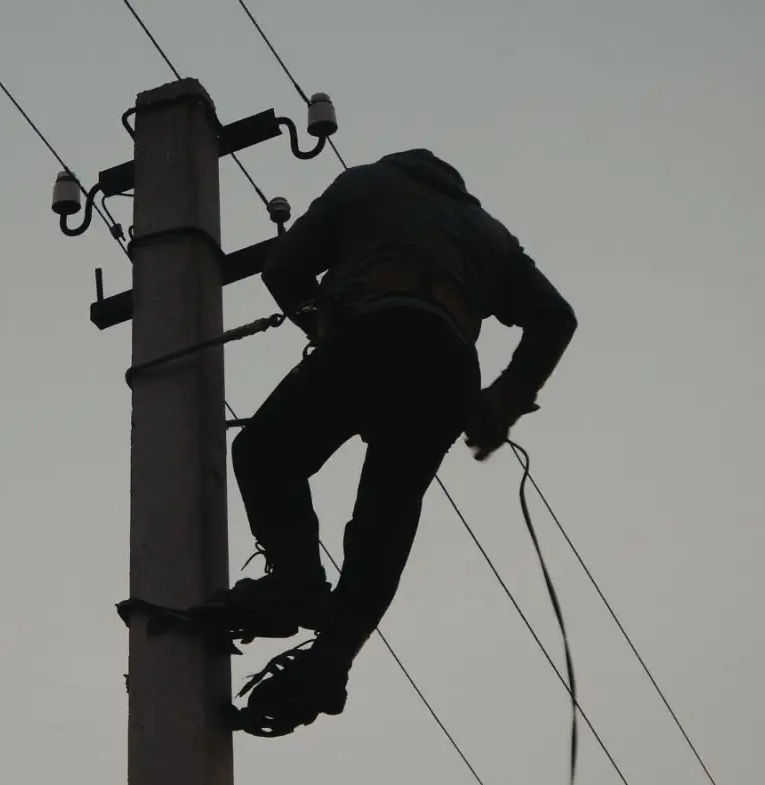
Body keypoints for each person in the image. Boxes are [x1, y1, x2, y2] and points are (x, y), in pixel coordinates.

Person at [213, 148, 578, 735]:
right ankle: (333, 656)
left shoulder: (366, 185)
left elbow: (282, 269)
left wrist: (324, 329)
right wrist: (503, 403)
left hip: (375, 331)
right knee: (386, 515)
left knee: (267, 451)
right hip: (448, 367)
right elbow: (555, 317)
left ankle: (297, 580)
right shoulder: (491, 234)